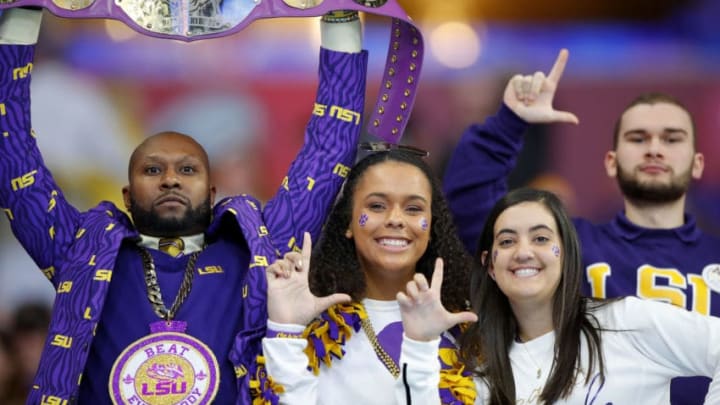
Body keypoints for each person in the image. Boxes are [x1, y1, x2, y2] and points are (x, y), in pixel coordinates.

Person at [0, 7, 367, 404]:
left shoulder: (258, 247)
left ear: (212, 194)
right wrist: (21, 15)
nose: (170, 179)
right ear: (126, 195)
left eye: (187, 169)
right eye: (153, 169)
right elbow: (13, 155)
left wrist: (342, 17)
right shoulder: (81, 251)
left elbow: (328, 150)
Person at [442, 49, 720, 404]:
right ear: (610, 161)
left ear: (698, 163)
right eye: (637, 138)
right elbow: (475, 209)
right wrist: (508, 124)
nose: (654, 150)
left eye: (671, 138)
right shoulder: (567, 245)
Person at [402, 188, 720, 403]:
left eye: (541, 238)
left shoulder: (628, 322)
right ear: (489, 265)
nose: (524, 252)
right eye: (508, 241)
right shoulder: (478, 364)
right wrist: (419, 345)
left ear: (565, 253)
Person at [253, 148, 478, 404]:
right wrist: (286, 328)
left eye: (413, 208)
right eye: (377, 206)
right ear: (348, 222)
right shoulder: (318, 328)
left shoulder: (466, 326)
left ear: (432, 224)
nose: (395, 219)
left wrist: (423, 344)